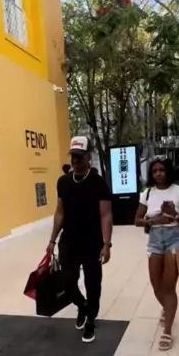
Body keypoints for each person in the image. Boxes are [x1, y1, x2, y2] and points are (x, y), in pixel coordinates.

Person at [47, 137, 113, 343]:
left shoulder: (98, 183)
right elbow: (59, 213)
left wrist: (106, 244)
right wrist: (52, 241)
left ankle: (90, 319)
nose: (75, 160)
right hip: (69, 241)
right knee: (67, 281)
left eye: (79, 156)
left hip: (92, 242)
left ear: (88, 156)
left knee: (93, 284)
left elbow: (106, 215)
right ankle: (82, 306)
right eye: (73, 156)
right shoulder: (63, 182)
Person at [135, 157, 179, 350]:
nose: (158, 173)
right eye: (154, 171)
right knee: (155, 283)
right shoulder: (148, 193)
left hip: (174, 238)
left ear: (168, 171)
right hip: (154, 239)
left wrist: (174, 214)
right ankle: (168, 308)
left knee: (168, 286)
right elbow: (137, 220)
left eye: (161, 170)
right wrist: (153, 220)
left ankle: (167, 331)